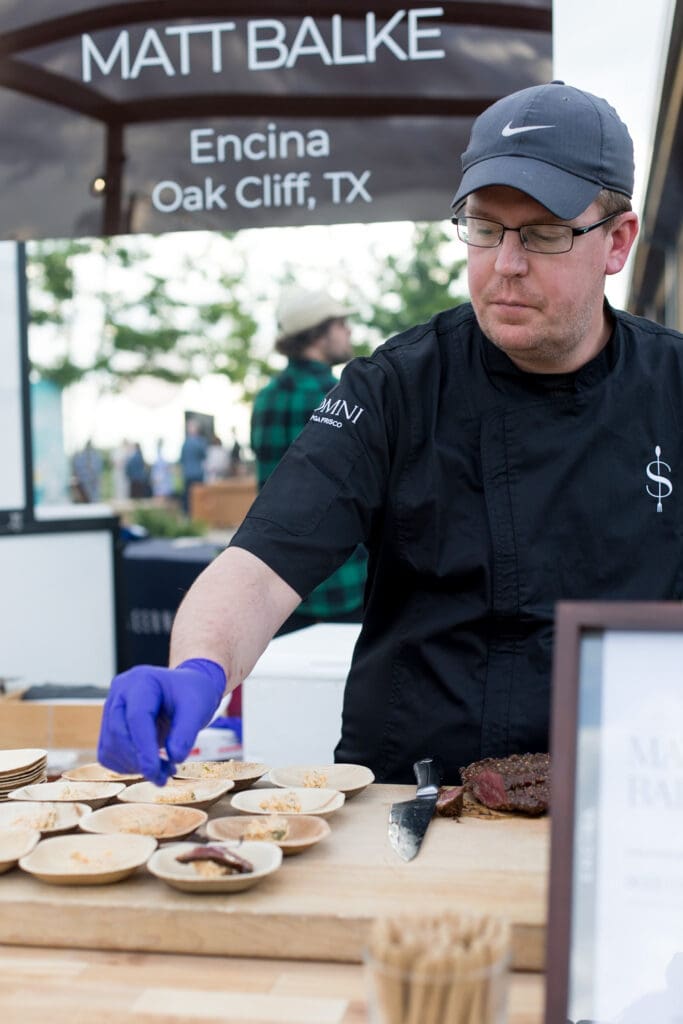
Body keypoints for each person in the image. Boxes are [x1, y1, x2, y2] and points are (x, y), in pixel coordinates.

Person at [99, 81, 674, 789]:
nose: (505, 264)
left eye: (544, 234)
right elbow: (261, 565)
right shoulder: (394, 388)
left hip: (621, 792)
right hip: (411, 795)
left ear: (616, 242)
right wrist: (197, 668)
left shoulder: (670, 389)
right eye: (484, 228)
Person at [250, 285, 367, 634]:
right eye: (341, 323)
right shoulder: (343, 396)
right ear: (319, 332)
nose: (348, 331)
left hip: (277, 579)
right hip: (341, 581)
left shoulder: (265, 398)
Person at [179, 417, 208, 514]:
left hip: (187, 473)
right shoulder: (200, 442)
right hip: (198, 473)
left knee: (188, 497)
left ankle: (189, 515)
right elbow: (204, 455)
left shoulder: (185, 443)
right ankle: (198, 514)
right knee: (198, 497)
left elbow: (181, 459)